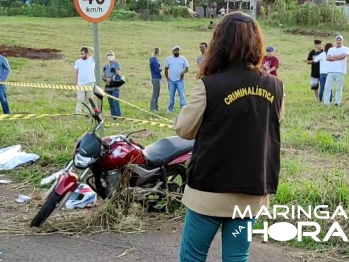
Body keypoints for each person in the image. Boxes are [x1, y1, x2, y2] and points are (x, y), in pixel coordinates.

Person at [173, 11, 285, 262]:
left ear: (219, 43)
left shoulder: (209, 85)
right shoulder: (275, 87)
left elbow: (184, 129)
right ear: (256, 44)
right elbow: (275, 122)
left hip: (208, 192)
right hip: (250, 191)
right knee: (237, 258)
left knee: (192, 257)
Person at [323, 35, 349, 106]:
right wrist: (338, 58)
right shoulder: (331, 49)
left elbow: (343, 56)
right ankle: (326, 102)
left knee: (338, 88)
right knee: (327, 87)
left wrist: (333, 57)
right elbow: (328, 58)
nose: (339, 41)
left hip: (340, 71)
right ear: (335, 41)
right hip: (331, 71)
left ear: (342, 41)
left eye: (340, 40)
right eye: (337, 40)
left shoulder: (345, 48)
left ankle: (337, 102)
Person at [165, 46, 189, 113]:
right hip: (171, 80)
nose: (177, 52)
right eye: (175, 50)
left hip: (179, 80)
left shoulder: (182, 59)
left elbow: (187, 68)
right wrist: (167, 77)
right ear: (173, 51)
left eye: (178, 50)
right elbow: (166, 68)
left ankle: (183, 108)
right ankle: (170, 108)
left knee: (182, 95)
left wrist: (183, 72)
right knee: (171, 96)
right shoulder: (169, 59)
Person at [74, 46, 95, 115]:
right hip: (81, 84)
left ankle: (87, 113)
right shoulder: (78, 62)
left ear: (87, 53)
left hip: (90, 82)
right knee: (80, 99)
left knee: (89, 99)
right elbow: (76, 73)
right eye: (80, 54)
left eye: (82, 54)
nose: (81, 55)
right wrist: (76, 84)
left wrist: (87, 47)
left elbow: (96, 51)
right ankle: (78, 113)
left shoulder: (92, 59)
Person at [102, 50, 122, 117]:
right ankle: (113, 116)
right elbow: (103, 76)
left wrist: (111, 79)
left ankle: (118, 117)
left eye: (111, 55)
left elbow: (118, 73)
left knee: (115, 102)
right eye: (108, 55)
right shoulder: (106, 67)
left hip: (115, 86)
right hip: (108, 87)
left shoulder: (117, 64)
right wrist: (106, 79)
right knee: (111, 103)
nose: (109, 56)